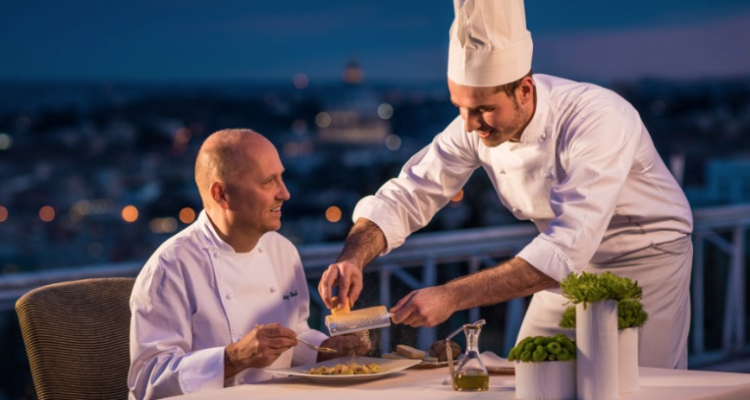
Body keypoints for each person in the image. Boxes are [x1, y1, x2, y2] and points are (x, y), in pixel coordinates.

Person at [318, 0, 693, 369]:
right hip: (563, 270)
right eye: (460, 107)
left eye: (482, 108)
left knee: (640, 384)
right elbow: (408, 194)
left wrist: (450, 295)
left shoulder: (598, 119)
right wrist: (354, 255)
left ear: (525, 90)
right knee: (531, 378)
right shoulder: (472, 128)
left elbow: (566, 246)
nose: (469, 124)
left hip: (645, 260)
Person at [128, 129, 369, 400]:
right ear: (221, 194)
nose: (285, 193)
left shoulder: (283, 251)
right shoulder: (170, 266)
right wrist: (232, 358)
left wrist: (323, 348)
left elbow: (295, 332)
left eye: (282, 177)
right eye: (268, 181)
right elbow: (148, 381)